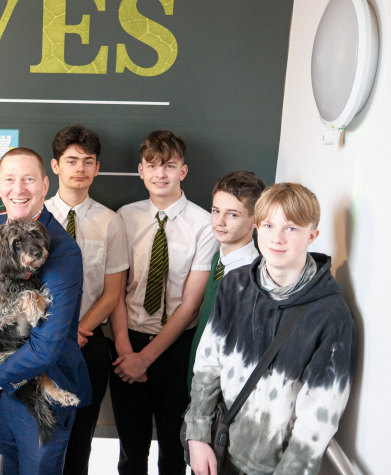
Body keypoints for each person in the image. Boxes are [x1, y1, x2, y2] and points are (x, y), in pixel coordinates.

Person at [186, 183, 355, 475]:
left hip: (272, 468)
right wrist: (197, 435)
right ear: (256, 227)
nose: (276, 238)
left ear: (311, 236)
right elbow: (207, 366)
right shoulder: (234, 285)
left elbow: (316, 422)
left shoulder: (331, 317)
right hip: (217, 449)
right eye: (268, 225)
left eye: (291, 228)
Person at [0, 147, 91, 475]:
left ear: (45, 185)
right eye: (10, 180)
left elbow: (46, 346)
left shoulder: (63, 251)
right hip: (1, 395)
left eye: (29, 180)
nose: (19, 190)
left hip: (45, 393)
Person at [110, 130, 218, 475]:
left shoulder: (204, 225)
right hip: (126, 342)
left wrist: (146, 358)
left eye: (169, 166)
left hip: (176, 348)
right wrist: (127, 351)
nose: (160, 174)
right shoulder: (124, 217)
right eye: (152, 166)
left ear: (182, 171)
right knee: (130, 449)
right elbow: (116, 288)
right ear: (140, 171)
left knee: (173, 450)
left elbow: (191, 303)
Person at [43, 125, 129, 475]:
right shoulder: (37, 217)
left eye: (88, 161)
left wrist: (78, 330)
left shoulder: (111, 222)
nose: (80, 168)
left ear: (96, 168)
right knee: (41, 436)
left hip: (88, 342)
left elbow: (113, 293)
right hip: (40, 343)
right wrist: (54, 335)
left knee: (80, 440)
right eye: (72, 160)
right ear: (55, 166)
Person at [186, 171, 266, 392]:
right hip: (197, 383)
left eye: (232, 214)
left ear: (255, 221)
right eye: (215, 211)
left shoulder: (253, 278)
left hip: (220, 396)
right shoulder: (217, 259)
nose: (219, 221)